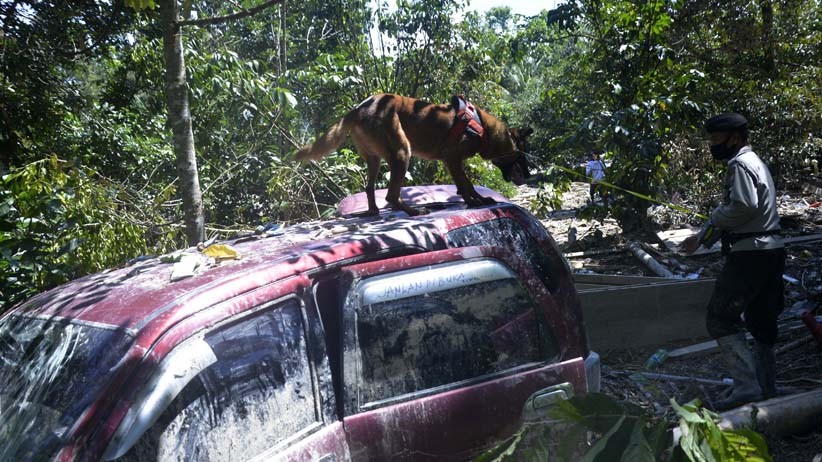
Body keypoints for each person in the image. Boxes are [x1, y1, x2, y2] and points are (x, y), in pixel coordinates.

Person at [682, 112, 784, 410]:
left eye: (716, 139)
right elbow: (742, 212)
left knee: (720, 319)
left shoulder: (739, 164)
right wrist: (702, 238)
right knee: (762, 321)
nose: (713, 145)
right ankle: (767, 387)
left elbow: (743, 207)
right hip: (771, 250)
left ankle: (746, 388)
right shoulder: (755, 162)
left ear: (735, 138)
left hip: (750, 255)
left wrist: (715, 217)